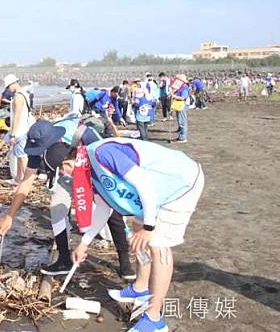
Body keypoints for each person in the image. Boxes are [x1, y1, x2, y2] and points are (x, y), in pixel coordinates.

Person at [66, 137, 205, 332]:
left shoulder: (102, 154)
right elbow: (103, 209)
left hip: (180, 185)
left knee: (157, 245)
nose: (65, 178)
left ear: (68, 162)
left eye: (62, 171)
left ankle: (155, 320)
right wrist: (84, 243)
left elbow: (145, 185)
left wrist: (149, 228)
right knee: (137, 230)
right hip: (154, 192)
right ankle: (140, 289)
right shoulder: (86, 170)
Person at [0, 120, 136, 279]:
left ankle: (124, 261)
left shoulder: (83, 134)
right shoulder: (36, 147)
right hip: (65, 175)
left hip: (90, 170)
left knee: (112, 211)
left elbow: (106, 157)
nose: (39, 151)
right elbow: (26, 183)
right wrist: (10, 216)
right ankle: (64, 259)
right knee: (57, 209)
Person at [4, 74, 35, 184]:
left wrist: (13, 134)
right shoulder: (23, 94)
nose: (8, 89)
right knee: (18, 154)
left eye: (8, 87)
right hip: (23, 129)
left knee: (22, 156)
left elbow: (17, 116)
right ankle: (18, 178)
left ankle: (27, 180)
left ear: (13, 84)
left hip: (20, 131)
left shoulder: (18, 98)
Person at [171, 74, 190, 143]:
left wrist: (174, 96)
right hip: (179, 104)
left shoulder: (184, 87)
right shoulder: (180, 87)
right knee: (180, 120)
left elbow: (183, 97)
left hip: (182, 105)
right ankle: (181, 136)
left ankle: (183, 138)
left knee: (182, 121)